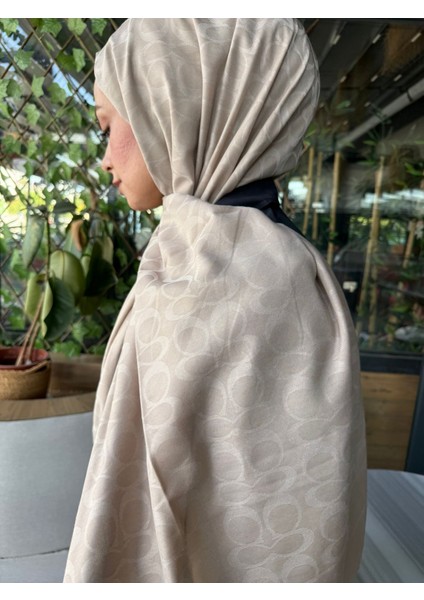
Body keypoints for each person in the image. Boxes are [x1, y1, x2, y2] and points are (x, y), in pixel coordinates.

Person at [64, 18, 367, 583]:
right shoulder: (292, 268)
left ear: (170, 113)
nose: (105, 158)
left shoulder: (204, 273)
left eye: (108, 126)